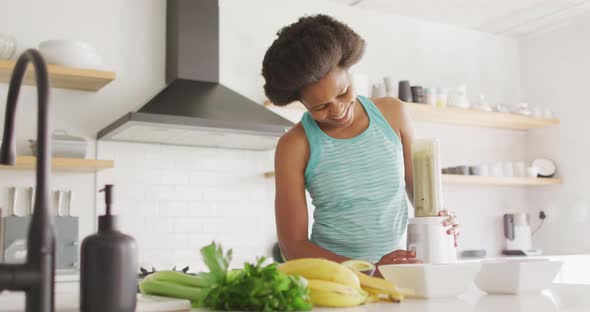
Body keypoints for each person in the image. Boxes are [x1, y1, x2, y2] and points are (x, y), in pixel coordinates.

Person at [262, 14, 459, 269]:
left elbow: (422, 198)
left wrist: (442, 218)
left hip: (395, 274)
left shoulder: (393, 113)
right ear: (302, 102)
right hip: (334, 280)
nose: (337, 110)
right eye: (320, 106)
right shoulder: (294, 145)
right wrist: (368, 270)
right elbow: (292, 246)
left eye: (343, 92)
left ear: (350, 74)